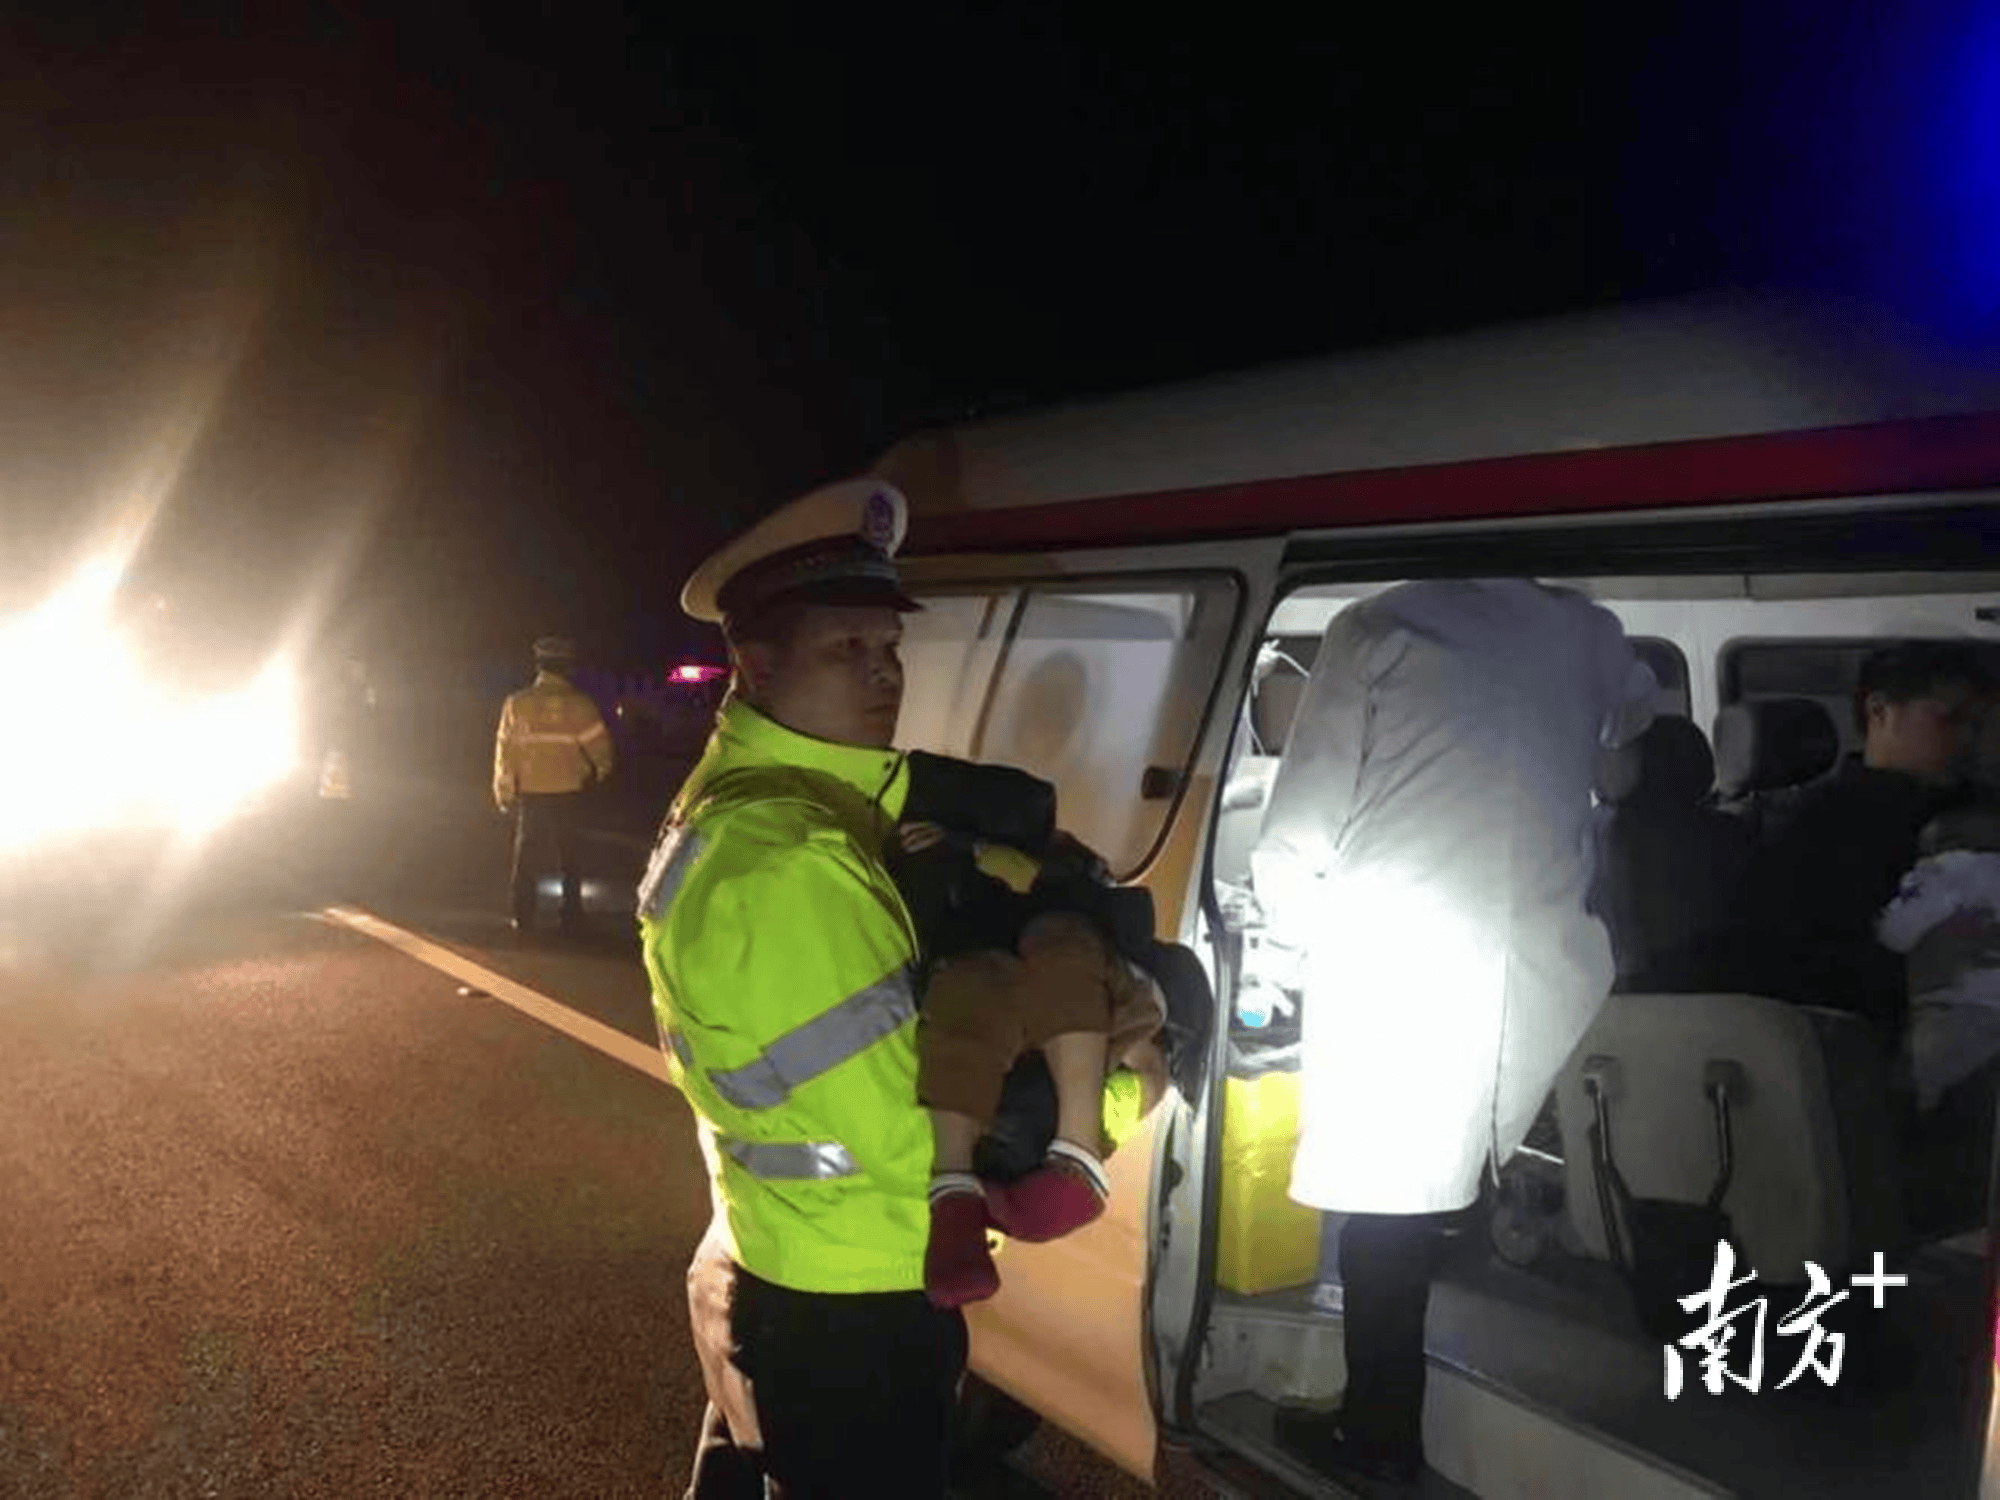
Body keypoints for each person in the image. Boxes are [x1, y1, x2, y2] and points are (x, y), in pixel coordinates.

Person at [1248, 579, 1656, 1486]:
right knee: (1449, 1174)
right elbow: (1632, 735)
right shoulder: (1587, 628)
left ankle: (1378, 1444)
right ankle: (1380, 1415)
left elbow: (1299, 831)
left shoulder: (1376, 625)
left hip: (1405, 952)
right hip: (1542, 953)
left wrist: (1284, 953)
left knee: (1381, 1221)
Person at [638, 479, 964, 1499]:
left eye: (891, 647)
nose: (884, 673)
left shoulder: (761, 798)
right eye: (847, 648)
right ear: (757, 661)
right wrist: (1126, 1087)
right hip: (852, 1297)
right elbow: (907, 1138)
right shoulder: (792, 858)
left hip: (779, 1247)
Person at [888, 750, 1167, 1308]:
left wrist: (970, 851)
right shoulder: (1103, 1108)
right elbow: (1152, 1075)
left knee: (1025, 957)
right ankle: (998, 1177)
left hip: (1048, 974)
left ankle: (1012, 1169)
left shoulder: (1051, 860)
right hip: (1043, 993)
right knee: (1001, 973)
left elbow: (1060, 884)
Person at [1739, 641, 1991, 1038]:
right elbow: (1800, 971)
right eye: (1950, 719)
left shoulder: (1979, 813)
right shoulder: (1814, 832)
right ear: (1879, 711)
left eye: (1976, 725)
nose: (1966, 739)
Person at [492, 636, 613, 936]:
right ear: (568, 667)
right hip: (570, 790)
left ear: (538, 665)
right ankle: (571, 915)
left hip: (530, 791)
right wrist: (601, 774)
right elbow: (601, 750)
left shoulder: (517, 704)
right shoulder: (581, 705)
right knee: (570, 855)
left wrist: (504, 793)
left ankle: (523, 915)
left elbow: (506, 754)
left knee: (527, 855)